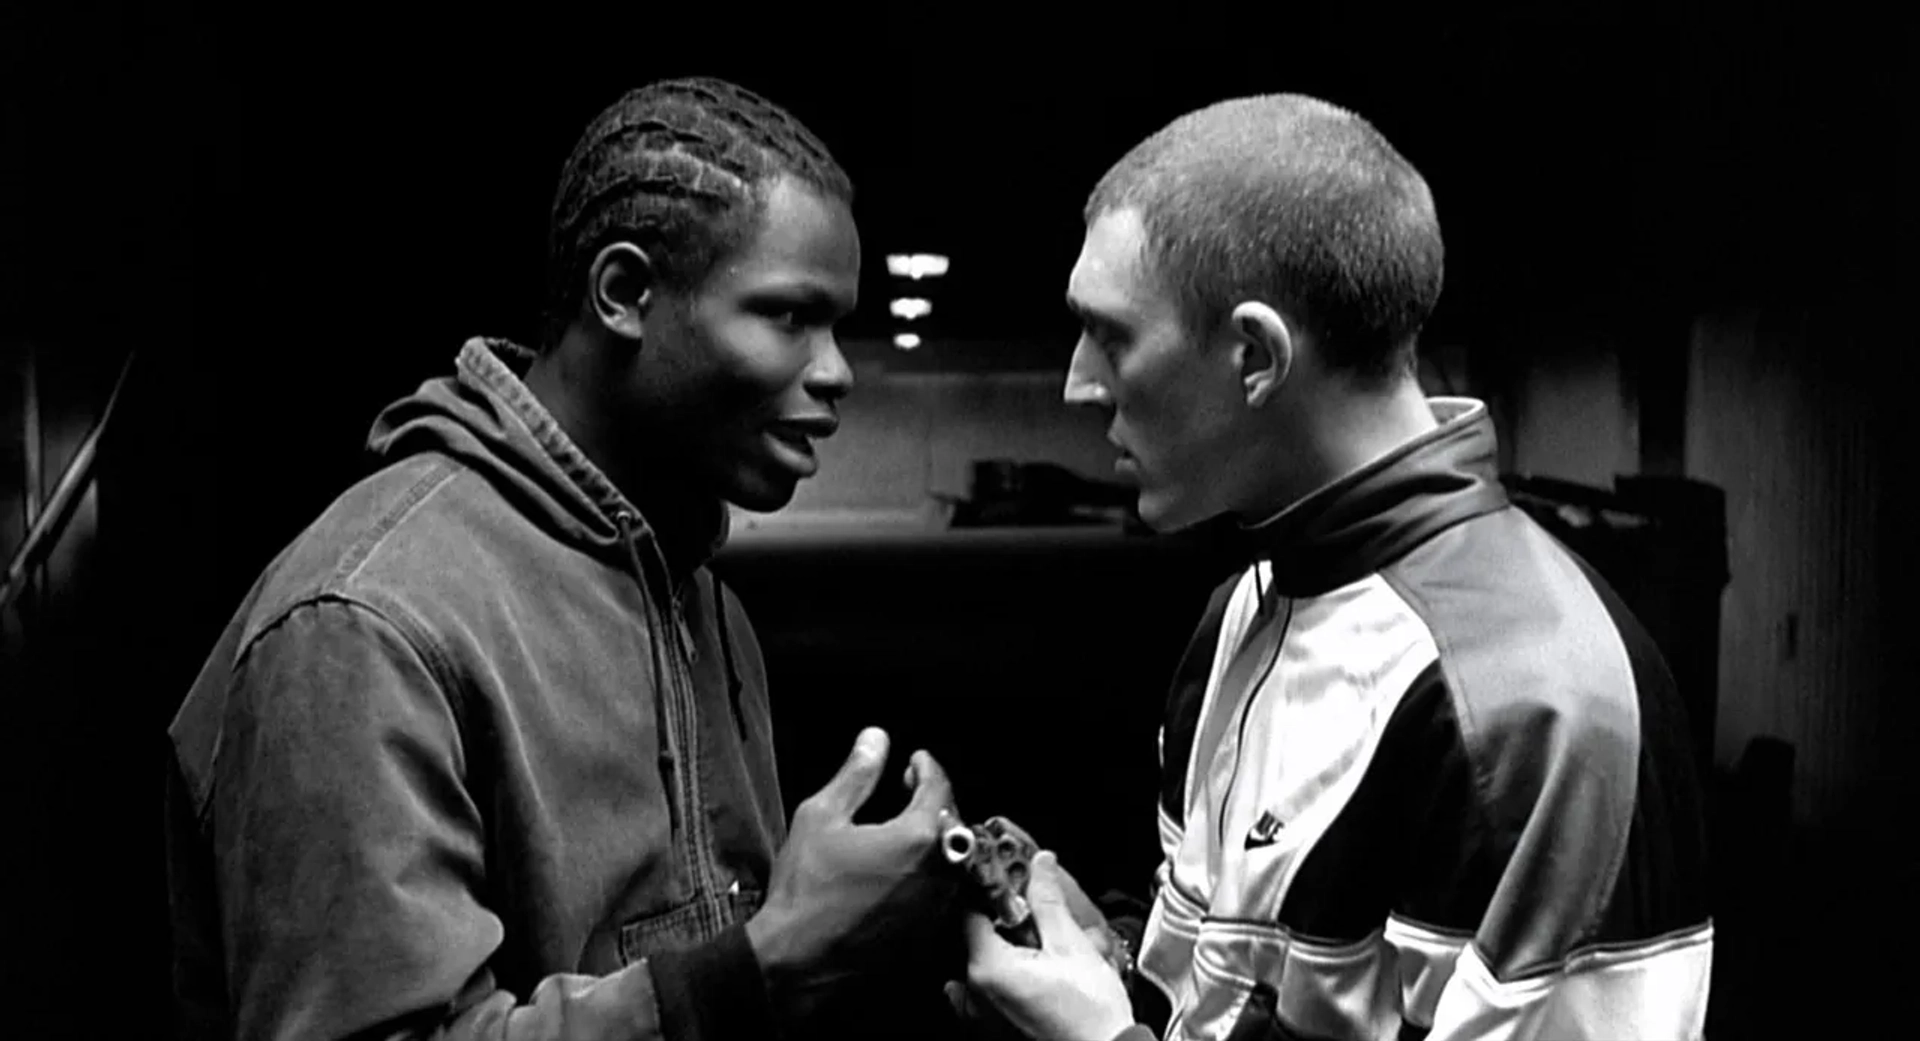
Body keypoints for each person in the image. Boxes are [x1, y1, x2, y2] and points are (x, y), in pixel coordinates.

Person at [164, 77, 962, 1041]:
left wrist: (879, 942)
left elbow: (721, 980)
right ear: (624, 294)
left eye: (836, 323)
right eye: (789, 315)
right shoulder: (365, 625)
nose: (836, 370)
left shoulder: (701, 599)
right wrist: (771, 956)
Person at [958, 94, 1715, 1040]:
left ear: (1255, 356)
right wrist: (1103, 958)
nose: (1078, 382)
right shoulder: (1244, 608)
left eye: (1109, 335)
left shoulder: (1529, 706)